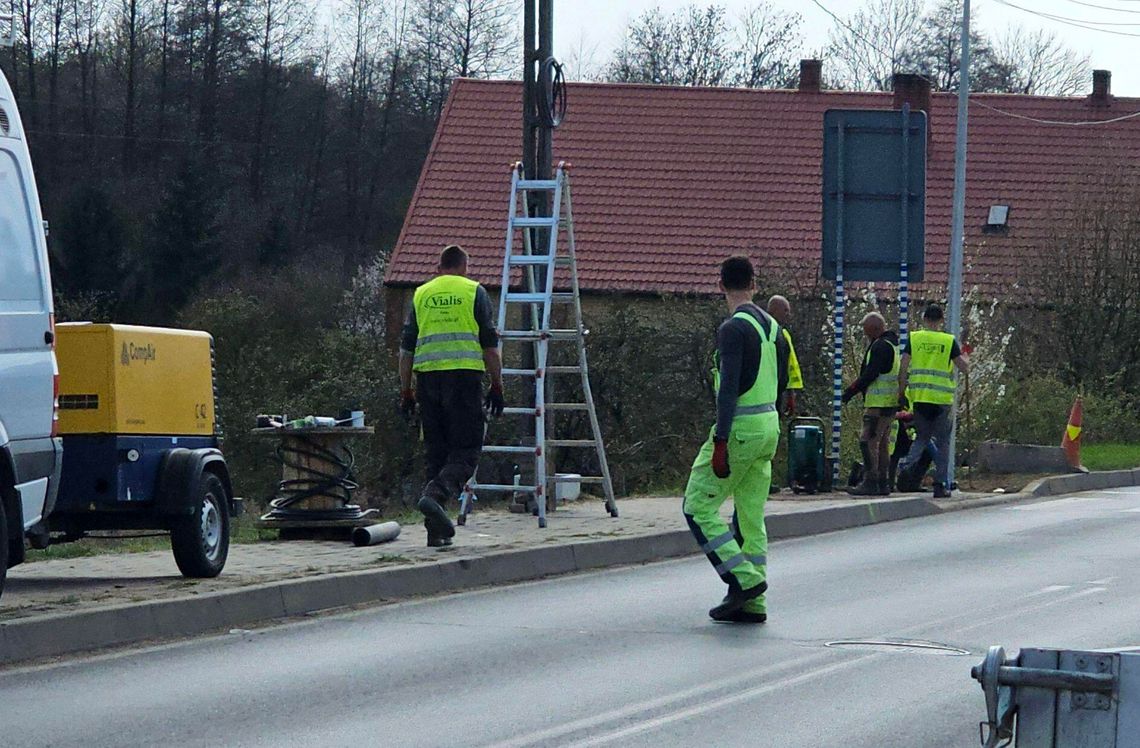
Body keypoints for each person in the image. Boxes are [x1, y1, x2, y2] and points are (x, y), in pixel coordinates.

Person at [683, 256, 788, 624]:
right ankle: (753, 605)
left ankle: (745, 581)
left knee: (697, 507)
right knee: (750, 515)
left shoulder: (732, 329)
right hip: (769, 426)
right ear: (755, 284)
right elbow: (785, 385)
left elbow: (727, 390)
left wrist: (722, 440)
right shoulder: (774, 327)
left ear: (721, 285)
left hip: (741, 428)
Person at [399, 245, 505, 548]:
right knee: (467, 450)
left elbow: (405, 351)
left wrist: (406, 391)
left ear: (439, 267)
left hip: (427, 380)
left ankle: (436, 532)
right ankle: (435, 496)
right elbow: (489, 346)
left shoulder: (421, 294)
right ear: (465, 267)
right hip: (464, 379)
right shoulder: (474, 292)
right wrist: (497, 385)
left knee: (436, 452)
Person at [896, 303, 970, 499]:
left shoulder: (915, 338)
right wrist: (966, 354)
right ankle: (940, 485)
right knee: (943, 442)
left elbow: (903, 367)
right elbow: (964, 367)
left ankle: (904, 467)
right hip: (942, 401)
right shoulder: (948, 341)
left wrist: (901, 391)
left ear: (924, 319)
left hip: (920, 399)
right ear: (941, 320)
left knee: (921, 438)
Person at [841, 312, 899, 497]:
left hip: (878, 404)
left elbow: (871, 373)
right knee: (882, 445)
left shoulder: (880, 346)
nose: (866, 337)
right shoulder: (893, 345)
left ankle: (871, 481)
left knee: (867, 441)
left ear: (875, 329)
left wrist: (851, 391)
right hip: (889, 404)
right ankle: (883, 483)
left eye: (867, 333)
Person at [766, 295, 803, 418]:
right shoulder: (765, 333)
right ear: (774, 310)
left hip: (778, 392)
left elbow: (789, 366)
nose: (788, 314)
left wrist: (790, 393)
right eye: (785, 310)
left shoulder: (783, 334)